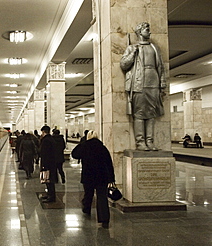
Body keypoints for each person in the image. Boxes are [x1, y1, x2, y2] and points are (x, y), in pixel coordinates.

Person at [120, 22, 166, 151]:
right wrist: (132, 54)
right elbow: (124, 64)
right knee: (139, 114)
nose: (149, 32)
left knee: (151, 114)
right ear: (140, 32)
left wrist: (162, 81)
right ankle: (140, 142)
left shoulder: (154, 47)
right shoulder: (132, 48)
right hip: (139, 82)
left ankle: (150, 141)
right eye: (147, 29)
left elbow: (160, 66)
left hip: (153, 81)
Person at [71, 130, 115, 229]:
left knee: (88, 194)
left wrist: (82, 143)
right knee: (102, 197)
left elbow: (74, 154)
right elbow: (109, 164)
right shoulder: (103, 148)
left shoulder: (84, 147)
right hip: (102, 176)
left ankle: (86, 209)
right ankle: (104, 220)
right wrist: (112, 178)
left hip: (88, 175)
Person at [39, 125, 57, 203]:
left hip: (48, 164)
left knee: (49, 181)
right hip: (52, 163)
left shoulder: (46, 140)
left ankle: (51, 197)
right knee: (48, 180)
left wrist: (44, 165)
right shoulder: (51, 139)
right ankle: (49, 195)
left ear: (43, 132)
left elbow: (45, 153)